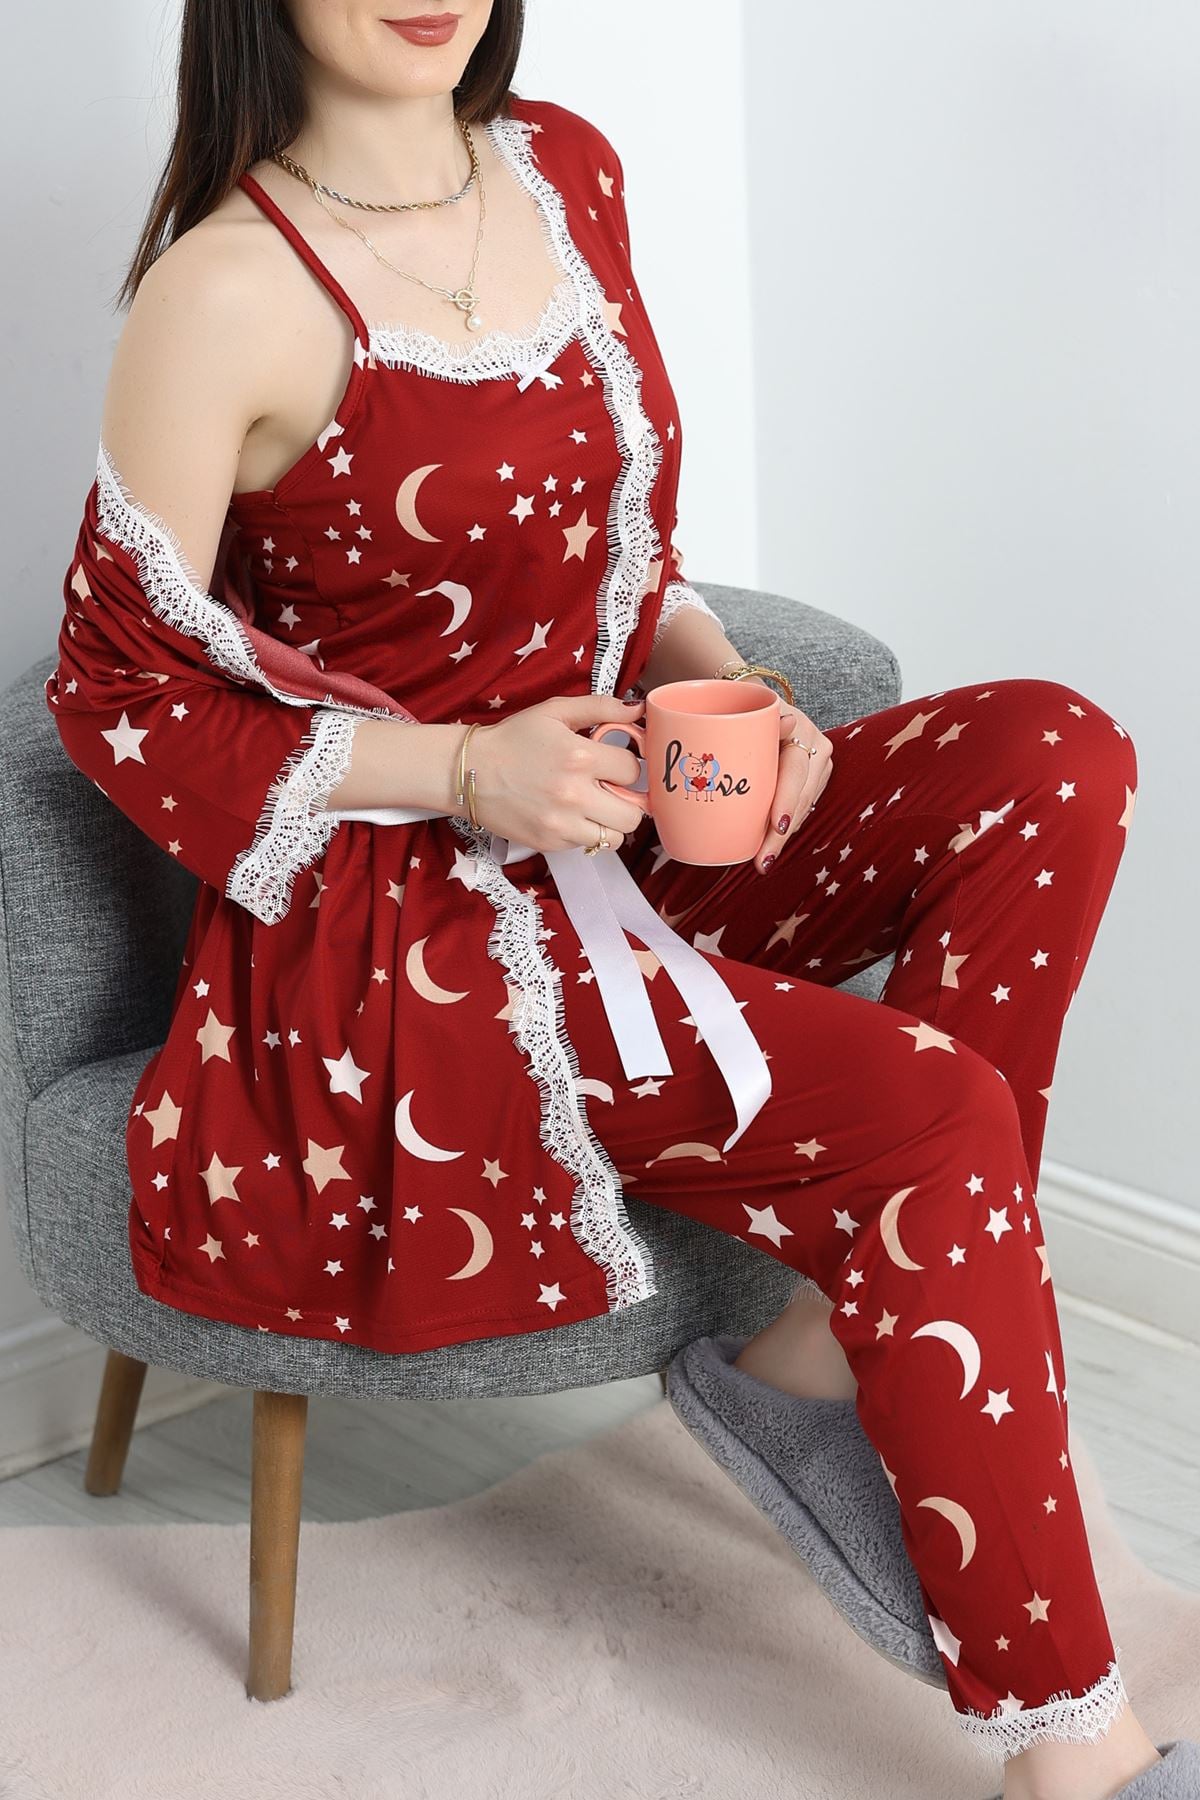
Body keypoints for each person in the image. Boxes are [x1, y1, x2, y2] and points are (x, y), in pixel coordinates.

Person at [46, 3, 1194, 1795]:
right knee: (937, 1113)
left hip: (633, 831)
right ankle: (1072, 1738)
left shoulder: (565, 168)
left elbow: (625, 549)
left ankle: (819, 1350)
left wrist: (729, 685)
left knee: (1053, 757)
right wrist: (461, 770)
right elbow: (121, 695)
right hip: (408, 942)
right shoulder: (222, 296)